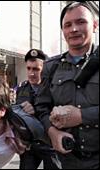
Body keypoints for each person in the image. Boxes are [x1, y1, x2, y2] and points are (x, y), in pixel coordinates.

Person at [35, 2, 99, 169]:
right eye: (68, 25)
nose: (74, 29)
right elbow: (41, 108)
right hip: (67, 161)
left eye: (81, 22)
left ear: (94, 25)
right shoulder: (51, 66)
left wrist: (82, 115)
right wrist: (52, 132)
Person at [16, 49, 61, 169]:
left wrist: (36, 110)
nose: (31, 73)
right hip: (30, 145)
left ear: (45, 69)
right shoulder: (22, 88)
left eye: (36, 69)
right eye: (28, 68)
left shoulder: (55, 89)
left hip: (50, 144)